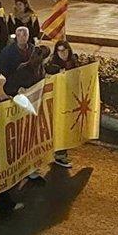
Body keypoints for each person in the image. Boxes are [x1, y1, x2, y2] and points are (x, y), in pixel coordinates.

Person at [45, 40, 77, 168]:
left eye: (65, 50)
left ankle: (61, 152)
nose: (62, 53)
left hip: (70, 100)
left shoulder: (73, 63)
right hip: (58, 102)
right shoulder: (52, 66)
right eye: (60, 51)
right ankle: (60, 155)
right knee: (59, 128)